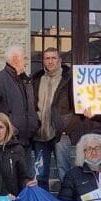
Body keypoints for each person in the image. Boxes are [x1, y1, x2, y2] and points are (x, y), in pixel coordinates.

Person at [0, 45, 40, 168]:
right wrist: (8, 126)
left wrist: (35, 123)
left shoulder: (26, 81)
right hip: (8, 142)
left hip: (27, 141)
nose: (26, 62)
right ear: (14, 59)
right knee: (11, 182)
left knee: (26, 180)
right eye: (24, 58)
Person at [31, 47, 73, 188]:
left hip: (61, 133)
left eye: (53, 58)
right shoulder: (36, 79)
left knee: (64, 173)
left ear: (60, 60)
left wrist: (68, 125)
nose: (50, 61)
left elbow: (76, 105)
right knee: (40, 175)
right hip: (39, 134)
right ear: (43, 61)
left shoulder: (69, 80)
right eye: (47, 58)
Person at [58, 134, 101, 201]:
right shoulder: (72, 176)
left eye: (97, 148)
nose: (94, 152)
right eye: (89, 149)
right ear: (83, 152)